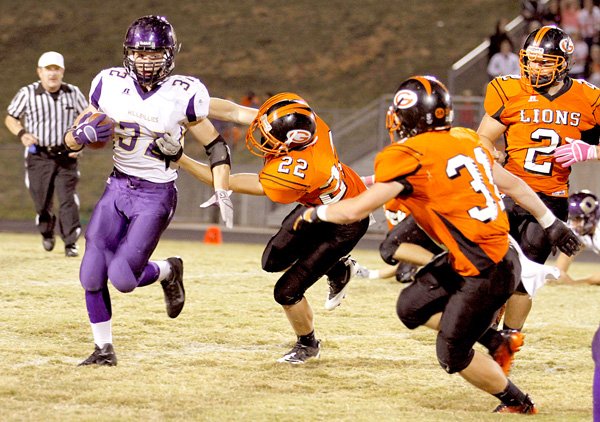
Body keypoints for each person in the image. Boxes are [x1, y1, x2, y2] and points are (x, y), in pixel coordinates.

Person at [292, 76, 580, 413]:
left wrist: (316, 214)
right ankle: (496, 339)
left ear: (407, 119)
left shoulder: (406, 155)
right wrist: (551, 222)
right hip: (498, 253)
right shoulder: (466, 139)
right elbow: (514, 184)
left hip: (483, 267)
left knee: (453, 354)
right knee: (410, 307)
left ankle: (519, 404)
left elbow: (356, 209)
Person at [64, 15, 241, 366]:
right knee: (91, 273)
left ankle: (167, 270)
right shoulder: (107, 83)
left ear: (170, 54)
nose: (146, 61)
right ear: (127, 53)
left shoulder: (184, 93)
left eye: (154, 54)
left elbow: (217, 146)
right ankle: (103, 349)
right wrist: (79, 137)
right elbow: (71, 139)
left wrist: (222, 186)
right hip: (118, 186)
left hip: (155, 194)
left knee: (123, 279)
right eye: (139, 53)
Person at [178, 92, 370, 364]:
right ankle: (339, 267)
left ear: (293, 142)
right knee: (272, 261)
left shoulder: (301, 171)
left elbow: (227, 181)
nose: (263, 139)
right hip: (316, 206)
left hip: (345, 223)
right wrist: (186, 104)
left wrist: (180, 158)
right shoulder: (306, 124)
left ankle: (308, 344)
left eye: (271, 138)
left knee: (286, 291)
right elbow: (236, 112)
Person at [476, 25, 600, 333]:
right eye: (531, 60)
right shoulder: (508, 89)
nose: (535, 67)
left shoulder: (588, 97)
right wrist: (491, 153)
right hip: (505, 194)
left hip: (550, 200)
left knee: (525, 277)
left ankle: (510, 339)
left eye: (545, 61)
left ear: (563, 62)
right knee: (490, 268)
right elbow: (482, 138)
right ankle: (487, 323)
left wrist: (592, 150)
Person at [5, 51, 88, 257]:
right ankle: (46, 230)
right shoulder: (28, 93)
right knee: (42, 200)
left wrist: (79, 144)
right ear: (39, 72)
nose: (52, 73)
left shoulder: (73, 92)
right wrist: (22, 133)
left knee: (68, 198)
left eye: (56, 69)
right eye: (48, 69)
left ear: (62, 72)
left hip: (65, 155)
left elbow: (88, 117)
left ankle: (71, 242)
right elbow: (11, 118)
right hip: (39, 155)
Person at [554, 190, 600, 285]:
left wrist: (575, 283)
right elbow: (567, 254)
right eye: (572, 219)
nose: (574, 224)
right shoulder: (587, 231)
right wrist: (558, 275)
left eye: (577, 219)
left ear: (591, 216)